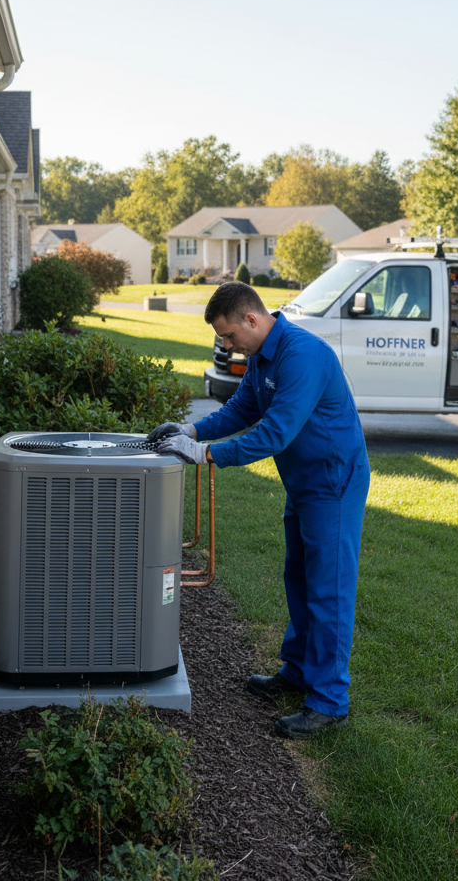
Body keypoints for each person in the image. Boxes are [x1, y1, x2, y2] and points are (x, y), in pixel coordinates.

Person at [148, 282, 370, 739]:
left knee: (328, 590)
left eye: (229, 337)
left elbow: (275, 432)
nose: (227, 345)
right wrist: (190, 427)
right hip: (305, 482)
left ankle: (330, 702)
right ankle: (298, 672)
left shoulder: (302, 355)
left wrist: (205, 454)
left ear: (252, 319)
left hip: (333, 483)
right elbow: (241, 410)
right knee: (299, 577)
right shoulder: (262, 357)